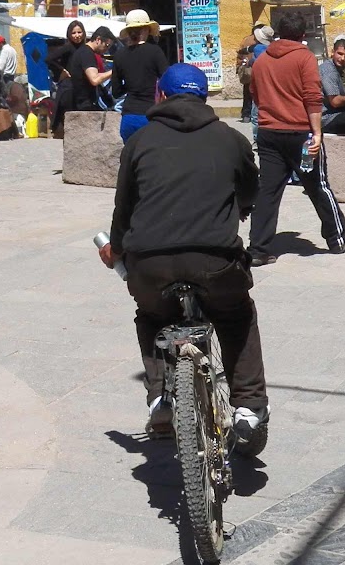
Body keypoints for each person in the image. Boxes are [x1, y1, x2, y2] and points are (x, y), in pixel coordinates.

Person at [100, 64, 268, 451]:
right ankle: (248, 406)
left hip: (150, 264)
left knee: (154, 316)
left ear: (160, 95)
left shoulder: (140, 141)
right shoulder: (231, 139)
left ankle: (160, 395)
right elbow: (250, 193)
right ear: (205, 97)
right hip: (215, 260)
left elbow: (123, 208)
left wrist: (116, 248)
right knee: (235, 314)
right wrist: (237, 207)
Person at [247, 10, 345, 265]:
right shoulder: (304, 58)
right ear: (303, 35)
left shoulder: (261, 60)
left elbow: (255, 94)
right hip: (300, 135)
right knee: (318, 185)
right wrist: (317, 132)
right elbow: (312, 97)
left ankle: (258, 250)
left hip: (269, 133)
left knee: (268, 191)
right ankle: (336, 238)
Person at [113, 9, 170, 142]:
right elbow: (167, 81)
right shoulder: (155, 52)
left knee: (131, 157)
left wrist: (130, 86)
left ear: (128, 33)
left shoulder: (119, 55)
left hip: (128, 117)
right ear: (146, 30)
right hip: (150, 115)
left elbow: (116, 92)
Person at [47, 20, 88, 137]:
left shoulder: (85, 48)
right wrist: (61, 71)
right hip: (69, 88)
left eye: (79, 32)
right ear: (69, 34)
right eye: (74, 33)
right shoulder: (68, 48)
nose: (77, 35)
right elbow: (49, 59)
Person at [67, 26, 115, 111]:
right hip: (84, 105)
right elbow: (95, 79)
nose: (106, 49)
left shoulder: (84, 52)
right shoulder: (87, 54)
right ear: (98, 40)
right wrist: (115, 70)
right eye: (107, 45)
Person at [236, 23, 273, 121]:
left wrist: (241, 65)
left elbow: (241, 52)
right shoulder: (272, 46)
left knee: (248, 94)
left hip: (250, 72)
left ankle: (246, 115)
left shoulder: (249, 42)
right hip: (266, 76)